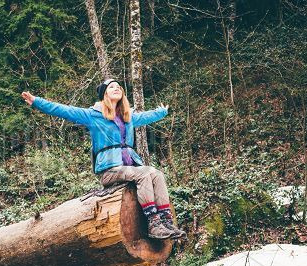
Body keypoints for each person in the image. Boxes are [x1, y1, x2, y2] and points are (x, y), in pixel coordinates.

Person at [21, 79, 186, 240]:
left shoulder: (127, 116)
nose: (117, 88)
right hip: (109, 170)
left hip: (130, 168)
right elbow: (63, 110)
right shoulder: (93, 115)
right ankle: (154, 223)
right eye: (112, 87)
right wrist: (37, 101)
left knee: (156, 174)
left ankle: (166, 221)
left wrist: (162, 112)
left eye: (119, 86)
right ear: (104, 94)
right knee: (145, 173)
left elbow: (146, 117)